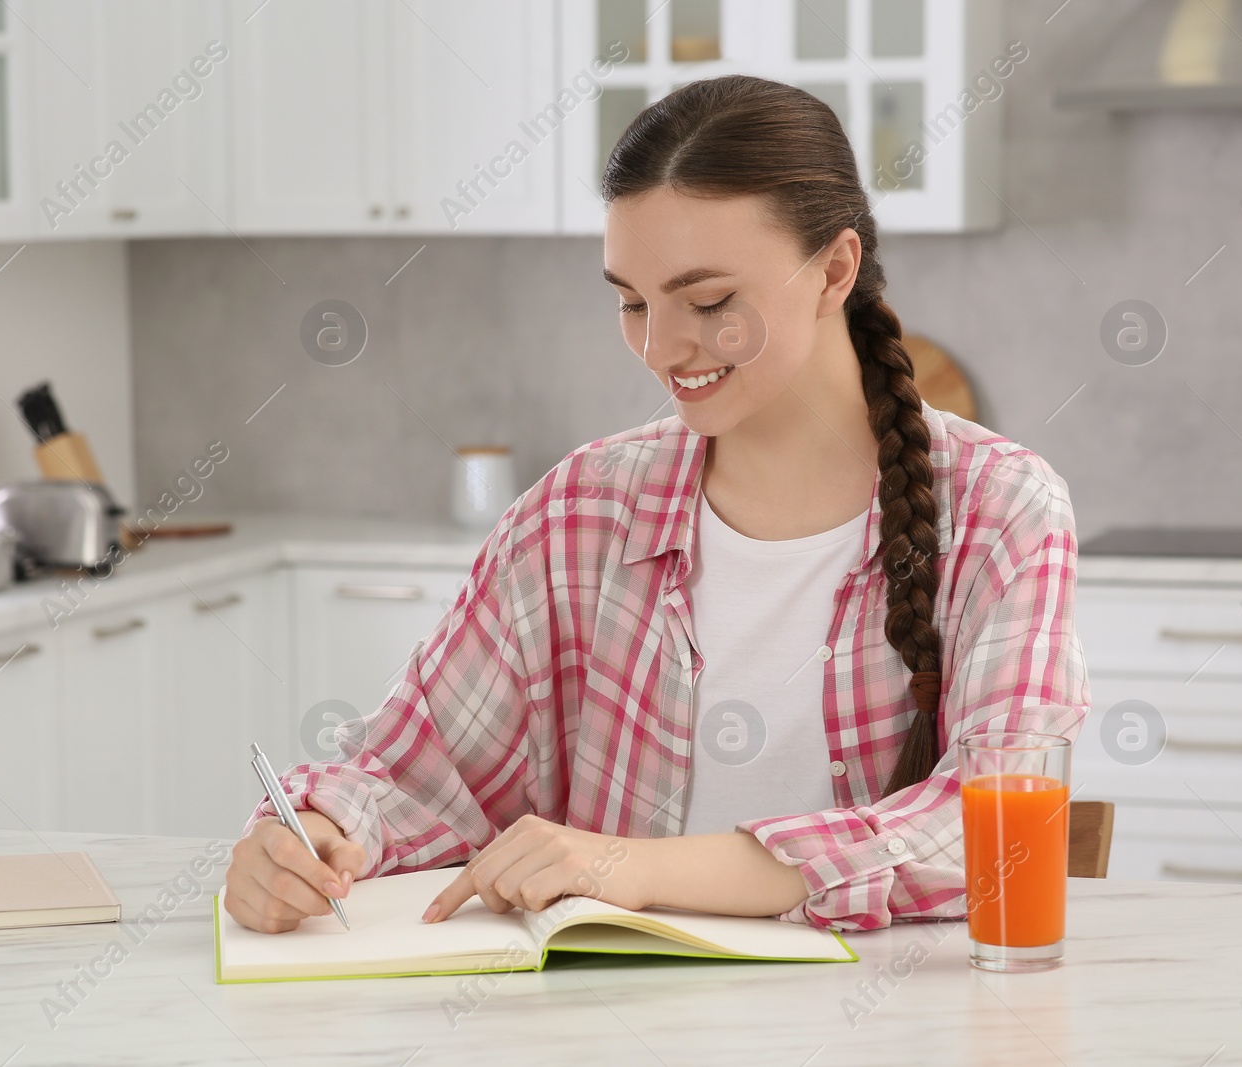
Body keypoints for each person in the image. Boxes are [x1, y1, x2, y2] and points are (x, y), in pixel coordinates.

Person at [224, 74, 1088, 935]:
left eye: (709, 303)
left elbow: (999, 825)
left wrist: (631, 866)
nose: (659, 348)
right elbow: (411, 770)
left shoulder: (1000, 510)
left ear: (835, 269)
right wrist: (319, 834)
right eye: (632, 302)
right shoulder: (578, 515)